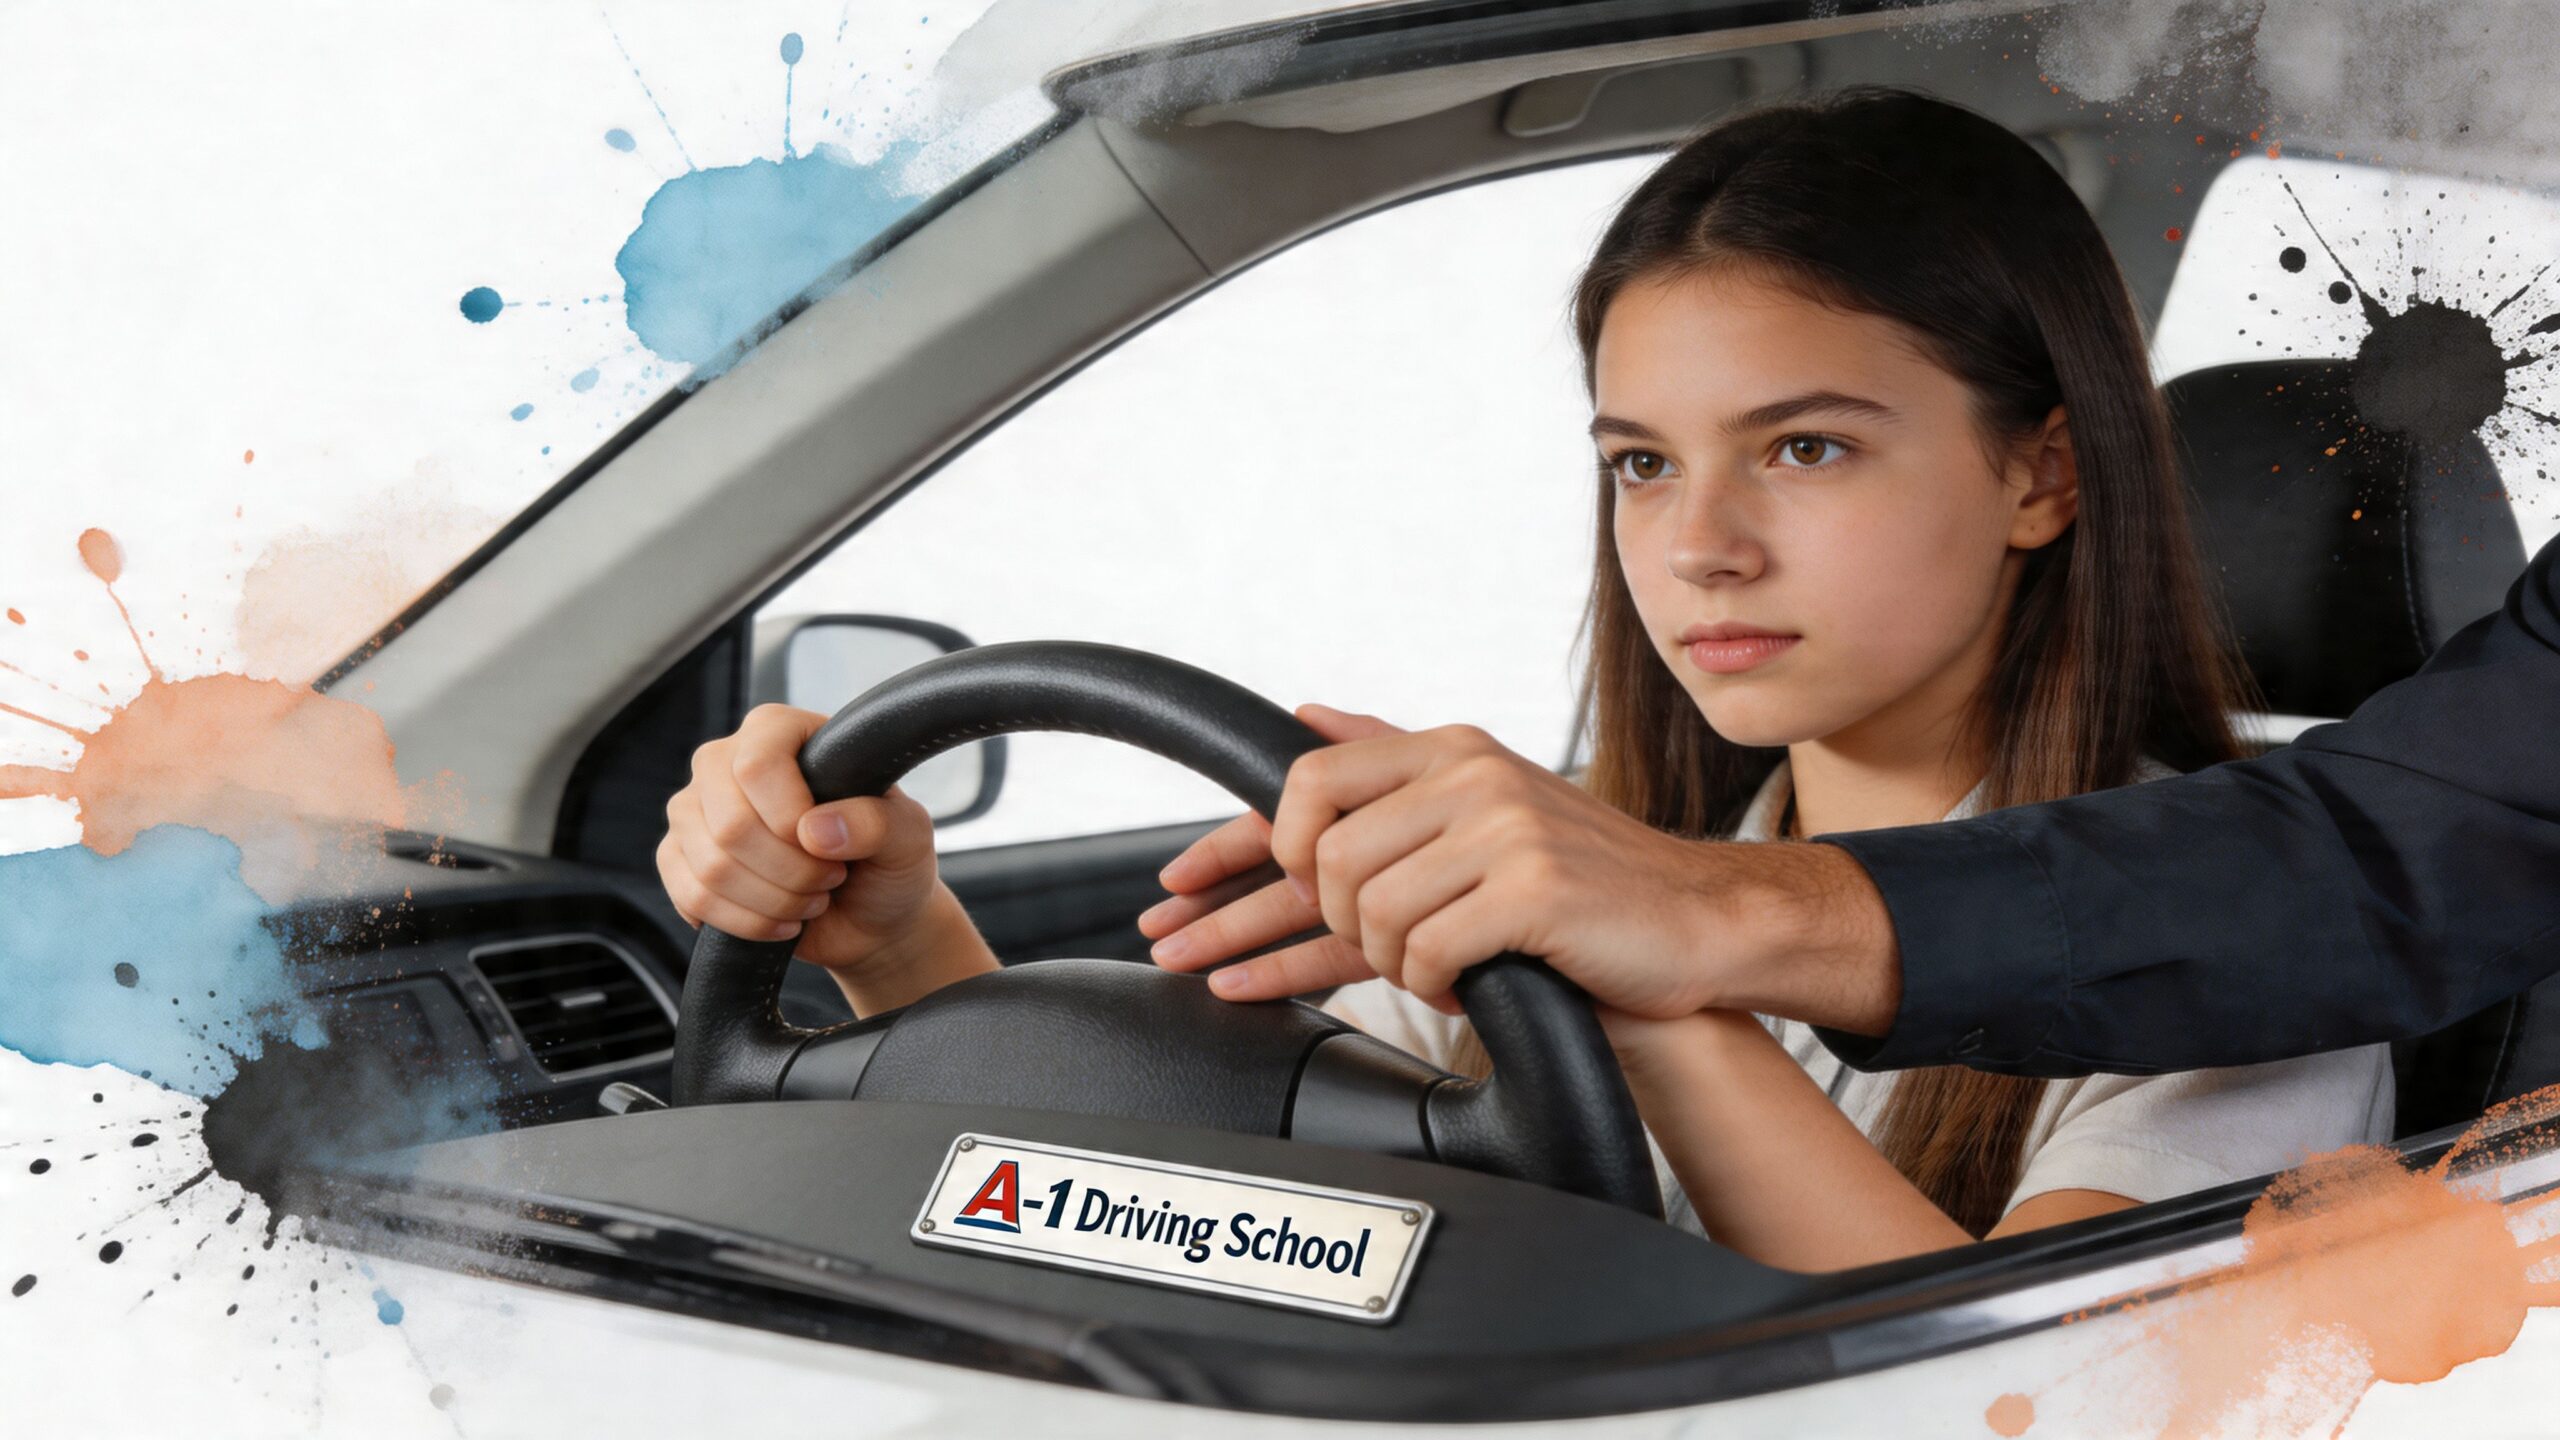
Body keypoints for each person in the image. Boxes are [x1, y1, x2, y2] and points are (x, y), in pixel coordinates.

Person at [655, 87, 2397, 1271]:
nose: (1697, 543)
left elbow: (2049, 1411)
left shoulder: (2249, 954)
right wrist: (891, 946)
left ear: (2042, 476)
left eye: (1802, 447)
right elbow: (1194, 1216)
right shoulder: (1551, 868)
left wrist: (1661, 1000)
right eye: (1641, 462)